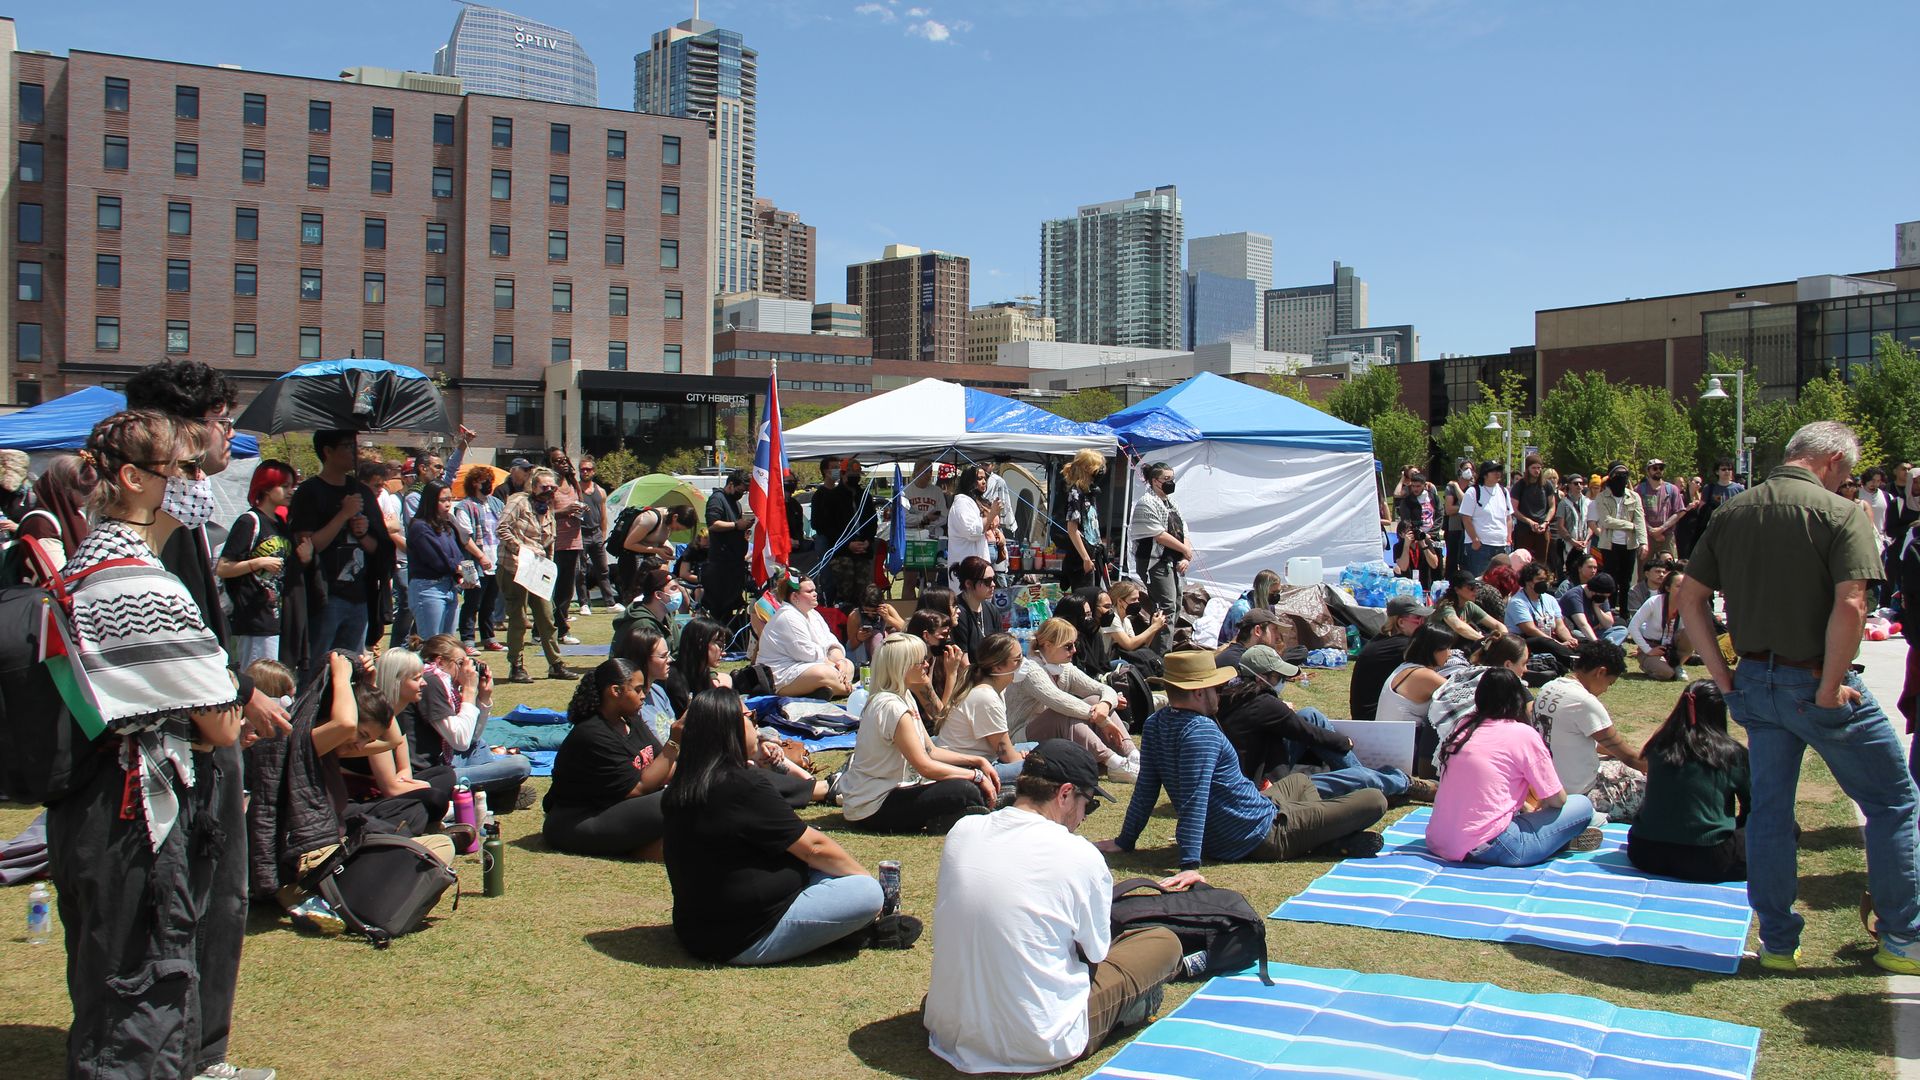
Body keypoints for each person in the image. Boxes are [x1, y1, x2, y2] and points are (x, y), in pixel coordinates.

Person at [47, 410, 250, 1080]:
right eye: (185, 470)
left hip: (91, 806)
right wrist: (232, 692)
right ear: (134, 479)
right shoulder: (140, 582)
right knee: (143, 1001)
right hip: (137, 817)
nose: (198, 485)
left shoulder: (85, 561)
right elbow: (220, 723)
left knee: (107, 985)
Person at [1676, 420, 1920, 974]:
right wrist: (1831, 687)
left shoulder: (1732, 511)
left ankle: (1779, 942)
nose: (1849, 483)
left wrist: (1726, 677)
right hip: (1814, 680)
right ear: (1832, 460)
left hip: (1756, 684)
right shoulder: (1840, 514)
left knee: (1769, 812)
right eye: (1849, 473)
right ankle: (1902, 938)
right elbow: (1853, 605)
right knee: (1894, 800)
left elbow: (1689, 600)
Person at [124, 363, 290, 1080]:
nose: (232, 435)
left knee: (217, 899)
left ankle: (202, 1053)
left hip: (209, 725)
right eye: (224, 420)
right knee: (184, 905)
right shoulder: (141, 524)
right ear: (183, 429)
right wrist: (228, 695)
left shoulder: (186, 512)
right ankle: (187, 1057)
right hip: (169, 748)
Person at [925, 740, 1183, 1074]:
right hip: (1037, 1041)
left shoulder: (964, 830)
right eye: (1086, 806)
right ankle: (1133, 1005)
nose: (1083, 819)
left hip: (949, 1027)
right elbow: (1094, 954)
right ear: (1064, 794)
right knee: (1162, 942)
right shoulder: (1080, 855)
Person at [661, 686, 891, 964]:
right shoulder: (742, 786)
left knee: (830, 873)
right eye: (751, 718)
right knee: (865, 893)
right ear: (729, 727)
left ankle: (843, 929)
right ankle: (856, 927)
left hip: (698, 929)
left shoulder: (683, 785)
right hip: (747, 935)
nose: (757, 728)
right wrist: (866, 880)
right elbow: (814, 848)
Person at [1100, 651, 1386, 873]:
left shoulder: (1156, 723)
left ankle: (1322, 837)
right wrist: (1189, 864)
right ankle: (1322, 838)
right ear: (1199, 692)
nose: (1221, 693)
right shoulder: (1202, 731)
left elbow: (1147, 787)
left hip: (1245, 818)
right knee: (1374, 799)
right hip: (1258, 834)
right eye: (1216, 688)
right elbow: (1194, 797)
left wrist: (1125, 841)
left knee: (1299, 782)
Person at [1426, 668, 1601, 865]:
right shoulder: (1522, 734)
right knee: (1581, 805)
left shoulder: (1462, 727)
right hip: (1494, 846)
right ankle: (1558, 840)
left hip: (1440, 841)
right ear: (1518, 699)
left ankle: (1554, 839)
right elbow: (1557, 800)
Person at [1220, 646, 1424, 801]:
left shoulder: (1234, 696)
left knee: (1310, 714)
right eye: (1279, 676)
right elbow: (1307, 733)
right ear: (1260, 678)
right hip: (1267, 789)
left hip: (1264, 765)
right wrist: (1344, 742)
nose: (1283, 680)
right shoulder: (1263, 704)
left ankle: (1371, 779)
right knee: (1361, 778)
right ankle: (1402, 783)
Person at [839, 635, 997, 834]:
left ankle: (959, 814)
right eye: (920, 661)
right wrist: (976, 776)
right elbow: (925, 766)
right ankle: (964, 812)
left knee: (966, 782)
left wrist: (977, 761)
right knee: (964, 790)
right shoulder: (891, 707)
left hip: (890, 794)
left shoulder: (903, 696)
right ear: (902, 667)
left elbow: (931, 750)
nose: (926, 664)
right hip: (875, 806)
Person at [543, 658, 680, 859]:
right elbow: (640, 787)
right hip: (577, 820)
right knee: (680, 799)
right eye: (637, 689)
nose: (643, 696)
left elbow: (663, 764)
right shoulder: (592, 734)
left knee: (696, 791)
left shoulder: (631, 719)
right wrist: (674, 741)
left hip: (617, 807)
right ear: (615, 691)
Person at [1627, 681, 1749, 883]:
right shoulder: (1731, 753)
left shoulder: (1659, 746)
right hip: (1707, 860)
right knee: (1787, 829)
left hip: (1644, 853)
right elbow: (1754, 808)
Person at [290, 430, 389, 678]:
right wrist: (342, 515)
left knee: (351, 669)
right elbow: (308, 546)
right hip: (325, 596)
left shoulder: (361, 492)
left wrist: (364, 533)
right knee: (317, 667)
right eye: (347, 446)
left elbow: (380, 548)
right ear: (328, 451)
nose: (354, 453)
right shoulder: (309, 492)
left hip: (359, 594)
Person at [404, 635, 532, 812]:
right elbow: (460, 741)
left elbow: (471, 739)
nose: (466, 669)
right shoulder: (431, 681)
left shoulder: (443, 682)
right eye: (460, 663)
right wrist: (469, 691)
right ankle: (492, 796)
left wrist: (483, 699)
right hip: (430, 775)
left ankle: (487, 795)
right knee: (519, 765)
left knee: (479, 746)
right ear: (440, 662)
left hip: (444, 761)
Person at [1008, 617, 1138, 779]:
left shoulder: (1064, 667)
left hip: (1050, 729)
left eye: (1075, 644)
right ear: (1048, 645)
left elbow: (1103, 688)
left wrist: (1104, 704)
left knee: (1094, 700)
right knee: (1063, 712)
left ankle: (1132, 754)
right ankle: (1113, 762)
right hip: (1020, 738)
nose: (1074, 650)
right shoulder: (1030, 669)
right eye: (1068, 646)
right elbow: (1060, 701)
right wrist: (1102, 720)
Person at [1533, 640, 1643, 822]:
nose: (1606, 690)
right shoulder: (1584, 702)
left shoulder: (1549, 688)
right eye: (1610, 683)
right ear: (1601, 672)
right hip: (1580, 794)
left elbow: (1598, 744)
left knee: (1627, 771)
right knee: (1648, 787)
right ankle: (1586, 822)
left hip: (1548, 787)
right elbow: (1631, 758)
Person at [498, 466, 578, 684]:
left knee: (546, 617)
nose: (549, 491)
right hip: (514, 568)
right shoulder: (518, 501)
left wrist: (547, 569)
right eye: (544, 486)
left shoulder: (548, 510)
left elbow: (548, 544)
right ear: (533, 486)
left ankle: (556, 664)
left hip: (537, 570)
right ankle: (516, 666)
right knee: (518, 619)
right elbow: (502, 528)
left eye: (552, 487)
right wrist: (521, 549)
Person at [217, 460, 295, 670]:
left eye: (291, 485)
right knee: (257, 677)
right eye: (284, 486)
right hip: (253, 617)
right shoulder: (249, 521)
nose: (291, 491)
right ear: (267, 488)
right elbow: (223, 567)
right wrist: (258, 562)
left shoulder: (280, 524)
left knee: (273, 681)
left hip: (275, 616)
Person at [938, 633, 1029, 786]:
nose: (1023, 663)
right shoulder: (986, 697)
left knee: (1038, 749)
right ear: (998, 667)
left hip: (986, 760)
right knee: (1047, 765)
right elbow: (1008, 756)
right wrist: (1025, 757)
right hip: (969, 769)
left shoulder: (995, 690)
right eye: (1017, 660)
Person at [758, 573, 855, 697]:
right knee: (823, 673)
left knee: (848, 665)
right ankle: (846, 689)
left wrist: (840, 661)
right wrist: (834, 666)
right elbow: (806, 653)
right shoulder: (787, 616)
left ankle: (828, 688)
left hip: (814, 664)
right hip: (782, 672)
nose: (815, 594)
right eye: (809, 591)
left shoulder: (813, 614)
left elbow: (829, 641)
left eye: (815, 590)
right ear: (794, 597)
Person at [1351, 595, 1430, 721]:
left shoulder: (1384, 640)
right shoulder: (1403, 645)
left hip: (1368, 717)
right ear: (1401, 622)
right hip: (1376, 722)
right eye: (1418, 618)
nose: (1423, 623)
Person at [403, 480, 463, 641]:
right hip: (428, 588)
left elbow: (457, 554)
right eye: (443, 500)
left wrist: (460, 568)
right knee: (432, 643)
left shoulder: (446, 525)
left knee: (447, 645)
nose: (448, 504)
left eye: (450, 499)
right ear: (430, 501)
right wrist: (457, 568)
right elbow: (436, 560)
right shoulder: (420, 527)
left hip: (449, 586)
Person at [1586, 461, 1647, 620]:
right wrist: (1629, 525)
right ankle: (1610, 608)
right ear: (1611, 477)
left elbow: (1640, 520)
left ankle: (1625, 611)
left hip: (1629, 544)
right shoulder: (1602, 497)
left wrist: (1643, 542)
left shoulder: (1634, 497)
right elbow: (1606, 521)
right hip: (1609, 544)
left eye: (1625, 476)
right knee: (1610, 578)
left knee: (1626, 580)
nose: (1622, 479)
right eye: (1618, 475)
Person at [12, 451, 95, 563]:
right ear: (63, 490)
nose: (89, 496)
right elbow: (56, 578)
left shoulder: (78, 515)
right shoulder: (40, 524)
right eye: (84, 490)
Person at [453, 467, 503, 653]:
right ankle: (467, 640)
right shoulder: (464, 506)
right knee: (472, 601)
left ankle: (488, 637)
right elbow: (465, 537)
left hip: (496, 560)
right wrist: (481, 557)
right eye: (484, 481)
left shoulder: (496, 503)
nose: (488, 484)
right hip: (473, 562)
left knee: (490, 602)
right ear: (474, 483)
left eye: (490, 480)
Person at [1129, 461, 1189, 615]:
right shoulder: (1147, 503)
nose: (1171, 482)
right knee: (1166, 606)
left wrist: (1185, 555)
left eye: (1172, 478)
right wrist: (1184, 549)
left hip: (1172, 561)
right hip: (1154, 561)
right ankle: (1159, 639)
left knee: (1176, 604)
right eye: (1167, 479)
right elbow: (1159, 534)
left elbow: (1183, 529)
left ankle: (1166, 638)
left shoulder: (1172, 503)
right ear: (1155, 481)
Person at [704, 468, 755, 631]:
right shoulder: (717, 499)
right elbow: (713, 524)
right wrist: (735, 525)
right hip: (721, 563)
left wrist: (743, 530)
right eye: (741, 490)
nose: (742, 493)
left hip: (735, 561)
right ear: (731, 485)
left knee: (733, 603)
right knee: (719, 605)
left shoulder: (736, 504)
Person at [1628, 561, 1696, 681]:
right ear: (1668, 588)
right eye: (1678, 586)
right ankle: (1650, 663)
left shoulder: (1687, 605)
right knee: (1667, 674)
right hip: (1651, 645)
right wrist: (1648, 650)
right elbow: (1633, 626)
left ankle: (1677, 665)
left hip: (1672, 647)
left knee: (1690, 632)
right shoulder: (1654, 602)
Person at [618, 502, 697, 604]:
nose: (675, 531)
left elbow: (655, 541)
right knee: (634, 597)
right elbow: (628, 544)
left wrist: (665, 549)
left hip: (647, 561)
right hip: (631, 562)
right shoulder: (651, 519)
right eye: (677, 528)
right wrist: (657, 550)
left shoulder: (667, 523)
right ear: (675, 517)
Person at [1504, 562, 1577, 669]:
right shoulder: (1518, 602)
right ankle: (1575, 660)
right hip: (1526, 641)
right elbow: (1530, 630)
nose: (1544, 583)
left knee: (1580, 641)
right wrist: (1557, 644)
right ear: (1528, 581)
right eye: (1539, 579)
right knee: (1543, 642)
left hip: (1549, 638)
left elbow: (1560, 626)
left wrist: (1569, 639)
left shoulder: (1550, 599)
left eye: (1545, 580)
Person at [572, 454, 617, 614]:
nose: (585, 472)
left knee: (603, 569)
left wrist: (603, 535)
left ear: (594, 471)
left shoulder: (600, 491)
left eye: (588, 469)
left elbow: (604, 516)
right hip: (580, 534)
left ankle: (609, 602)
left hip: (596, 533)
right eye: (582, 469)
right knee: (581, 571)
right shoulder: (575, 490)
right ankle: (584, 603)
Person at [664, 617, 734, 716]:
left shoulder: (702, 672)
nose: (724, 652)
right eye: (719, 644)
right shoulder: (674, 679)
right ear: (700, 644)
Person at [1060, 448, 1108, 591]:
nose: (1100, 471)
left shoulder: (1089, 493)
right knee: (1084, 599)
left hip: (1094, 552)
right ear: (1087, 468)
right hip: (1081, 557)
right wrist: (1085, 558)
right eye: (1098, 467)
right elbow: (1072, 529)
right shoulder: (1075, 493)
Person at [946, 464, 997, 590]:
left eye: (985, 478)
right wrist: (991, 515)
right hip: (966, 567)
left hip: (976, 567)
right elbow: (972, 532)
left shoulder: (973, 502)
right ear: (970, 481)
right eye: (979, 479)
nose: (984, 482)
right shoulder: (962, 503)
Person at [1458, 460, 1513, 575]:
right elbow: (1466, 518)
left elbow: (1508, 517)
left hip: (1501, 546)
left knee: (1501, 582)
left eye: (1499, 470)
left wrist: (1508, 537)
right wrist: (1475, 539)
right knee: (1480, 583)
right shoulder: (1473, 492)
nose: (1498, 473)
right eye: (1493, 471)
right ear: (1485, 474)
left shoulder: (1504, 492)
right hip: (1480, 547)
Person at [951, 555, 1005, 660]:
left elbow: (1001, 647)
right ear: (968, 584)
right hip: (970, 674)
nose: (993, 584)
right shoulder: (957, 612)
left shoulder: (992, 610)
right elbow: (962, 659)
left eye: (994, 579)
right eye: (987, 581)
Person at [1433, 571, 1504, 648]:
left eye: (1476, 586)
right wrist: (1484, 640)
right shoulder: (1445, 606)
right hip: (1436, 650)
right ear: (1457, 589)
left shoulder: (1469, 605)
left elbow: (1497, 625)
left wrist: (1504, 640)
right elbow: (1458, 627)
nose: (1475, 590)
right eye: (1471, 588)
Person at [1637, 458, 1687, 563]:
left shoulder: (1672, 489)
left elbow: (1679, 512)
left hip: (1667, 535)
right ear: (1648, 471)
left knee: (1669, 569)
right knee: (1644, 570)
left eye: (1661, 468)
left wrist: (1662, 528)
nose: (1658, 470)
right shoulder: (1639, 490)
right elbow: (1636, 514)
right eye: (1655, 468)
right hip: (1646, 536)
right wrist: (1651, 530)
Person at [1508, 455, 1554, 566]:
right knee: (1522, 562)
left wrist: (1546, 523)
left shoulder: (1546, 485)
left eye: (1539, 468)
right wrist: (1529, 522)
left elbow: (1552, 506)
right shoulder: (1520, 486)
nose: (1537, 471)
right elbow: (1513, 509)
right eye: (1534, 468)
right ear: (1528, 468)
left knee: (1541, 563)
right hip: (1524, 530)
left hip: (1542, 529)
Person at [1106, 579, 1167, 657]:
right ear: (1120, 601)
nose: (1137, 602)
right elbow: (1129, 644)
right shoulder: (1111, 618)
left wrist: (1154, 628)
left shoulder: (1126, 620)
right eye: (1133, 599)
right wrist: (1153, 627)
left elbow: (1140, 647)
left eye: (1138, 599)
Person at [1218, 569, 1280, 646]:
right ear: (1263, 590)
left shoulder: (1269, 606)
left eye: (1278, 592)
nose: (1276, 596)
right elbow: (1236, 641)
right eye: (1274, 592)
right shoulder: (1241, 609)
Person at [1215, 607, 1283, 673]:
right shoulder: (1240, 663)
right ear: (1257, 631)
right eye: (1274, 630)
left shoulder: (1244, 658)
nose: (1278, 637)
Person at [1443, 461, 1472, 580]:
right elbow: (1449, 509)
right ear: (1460, 471)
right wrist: (1455, 486)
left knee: (1466, 559)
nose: (1469, 471)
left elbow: (1466, 502)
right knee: (1452, 559)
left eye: (1471, 468)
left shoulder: (1473, 488)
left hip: (1468, 528)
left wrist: (1463, 507)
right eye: (1466, 468)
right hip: (1454, 528)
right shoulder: (1450, 487)